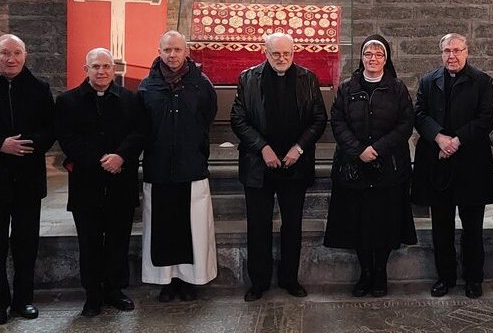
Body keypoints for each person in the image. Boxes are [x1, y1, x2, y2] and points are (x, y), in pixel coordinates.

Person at [230, 32, 327, 302]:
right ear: (266, 53)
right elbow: (238, 119)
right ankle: (258, 282)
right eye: (276, 54)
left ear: (293, 53)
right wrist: (263, 148)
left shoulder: (308, 78)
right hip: (258, 165)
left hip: (295, 164)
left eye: (287, 53)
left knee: (292, 225)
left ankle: (289, 279)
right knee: (258, 225)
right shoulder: (248, 78)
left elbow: (319, 119)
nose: (282, 58)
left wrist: (299, 148)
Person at [324, 34, 416, 298]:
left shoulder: (397, 88)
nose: (373, 59)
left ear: (386, 59)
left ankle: (380, 272)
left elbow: (406, 123)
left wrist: (378, 149)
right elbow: (338, 121)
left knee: (385, 222)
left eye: (378, 54)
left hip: (388, 168)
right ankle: (365, 272)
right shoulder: (347, 88)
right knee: (359, 222)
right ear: (361, 58)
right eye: (368, 54)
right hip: (355, 168)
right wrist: (358, 151)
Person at [55, 48, 143, 317]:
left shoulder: (131, 99)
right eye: (95, 66)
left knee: (118, 240)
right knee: (89, 242)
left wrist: (120, 156)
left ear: (114, 70)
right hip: (86, 183)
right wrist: (99, 160)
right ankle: (92, 295)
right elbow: (66, 138)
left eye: (106, 66)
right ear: (86, 69)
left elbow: (139, 132)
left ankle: (115, 290)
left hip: (121, 181)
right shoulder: (67, 101)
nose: (101, 71)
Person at [412, 33, 493, 299]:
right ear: (441, 53)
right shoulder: (428, 81)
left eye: (457, 50)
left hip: (471, 165)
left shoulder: (482, 81)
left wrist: (456, 141)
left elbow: (485, 120)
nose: (452, 55)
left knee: (473, 227)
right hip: (439, 164)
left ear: (466, 52)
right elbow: (419, 114)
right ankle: (445, 277)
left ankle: (474, 278)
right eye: (447, 51)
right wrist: (439, 137)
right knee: (441, 226)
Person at [139, 30, 217, 302]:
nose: (172, 55)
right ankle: (166, 281)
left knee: (191, 227)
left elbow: (207, 117)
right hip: (159, 167)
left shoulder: (201, 84)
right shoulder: (147, 86)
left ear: (186, 51)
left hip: (190, 165)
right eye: (167, 50)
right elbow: (142, 125)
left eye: (177, 50)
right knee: (162, 228)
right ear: (159, 51)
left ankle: (189, 280)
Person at [0, 34, 55, 325]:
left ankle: (24, 300)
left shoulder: (39, 89)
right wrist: (1, 144)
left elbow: (51, 129)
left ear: (25, 55)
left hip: (28, 180)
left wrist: (26, 144)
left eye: (17, 53)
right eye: (5, 53)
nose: (11, 59)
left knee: (26, 244)